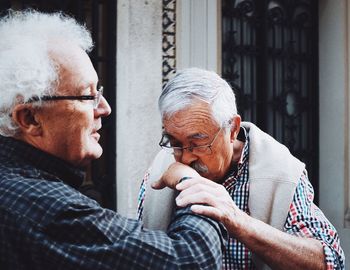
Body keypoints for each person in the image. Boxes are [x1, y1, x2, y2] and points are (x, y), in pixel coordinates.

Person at [0, 11, 227, 270]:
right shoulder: (44, 207)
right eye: (87, 97)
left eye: (99, 92)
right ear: (30, 118)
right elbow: (193, 260)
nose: (105, 108)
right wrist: (194, 187)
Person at [137, 68, 346, 269]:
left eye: (198, 142)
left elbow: (330, 262)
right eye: (174, 142)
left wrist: (237, 220)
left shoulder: (282, 172)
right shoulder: (160, 171)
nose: (185, 157)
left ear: (232, 129)